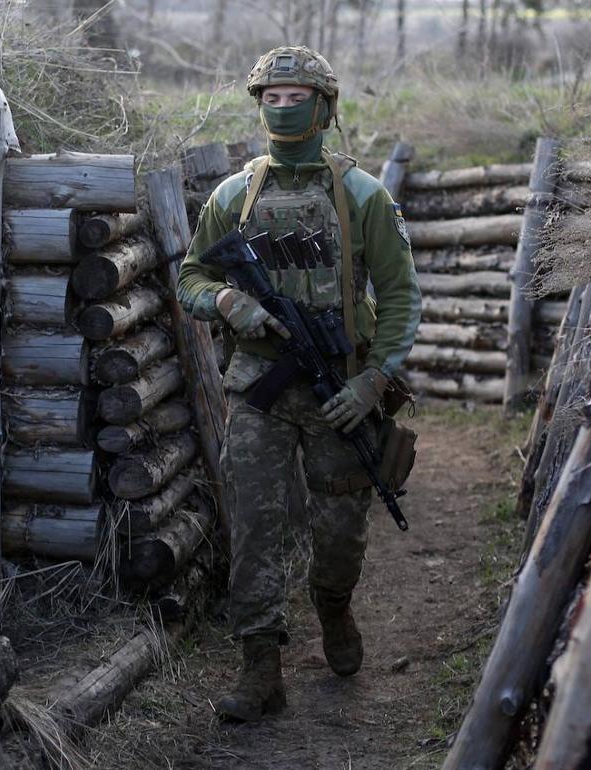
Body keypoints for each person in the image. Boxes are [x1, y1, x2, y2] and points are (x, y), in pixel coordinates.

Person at [176, 45, 422, 722]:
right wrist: (230, 305)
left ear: (325, 106)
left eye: (296, 96)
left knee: (339, 531)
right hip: (258, 385)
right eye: (271, 97)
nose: (283, 107)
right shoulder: (235, 195)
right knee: (255, 525)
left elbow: (400, 296)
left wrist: (375, 382)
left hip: (340, 393)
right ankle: (260, 666)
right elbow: (192, 274)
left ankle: (334, 605)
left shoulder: (364, 196)